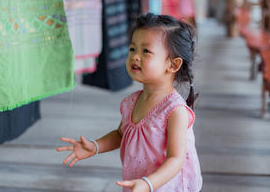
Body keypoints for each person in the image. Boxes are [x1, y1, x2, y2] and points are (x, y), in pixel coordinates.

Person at [57, 13, 203, 191]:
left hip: (166, 186)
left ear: (172, 65)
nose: (135, 56)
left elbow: (176, 159)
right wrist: (95, 146)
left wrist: (148, 183)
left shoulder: (174, 110)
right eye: (132, 49)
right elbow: (120, 135)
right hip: (138, 183)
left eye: (146, 51)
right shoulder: (132, 102)